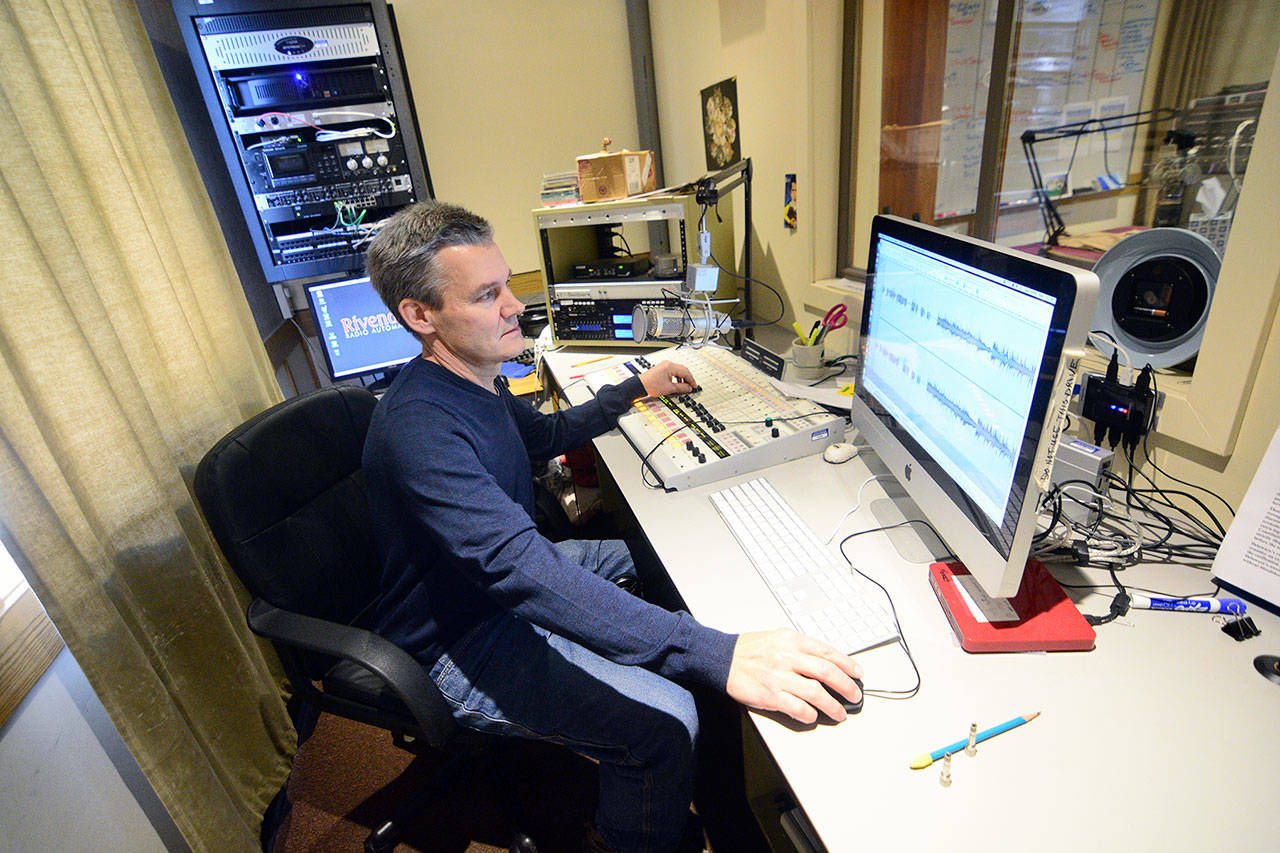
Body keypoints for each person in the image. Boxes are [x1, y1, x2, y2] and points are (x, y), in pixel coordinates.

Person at [362, 200, 863, 853]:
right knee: (663, 723)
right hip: (460, 640)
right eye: (488, 295)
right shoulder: (418, 428)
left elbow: (544, 435)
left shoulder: (474, 378)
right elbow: (522, 572)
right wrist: (710, 651)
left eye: (507, 283)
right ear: (420, 315)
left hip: (502, 591)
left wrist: (635, 388)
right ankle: (625, 839)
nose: (515, 305)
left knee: (655, 555)